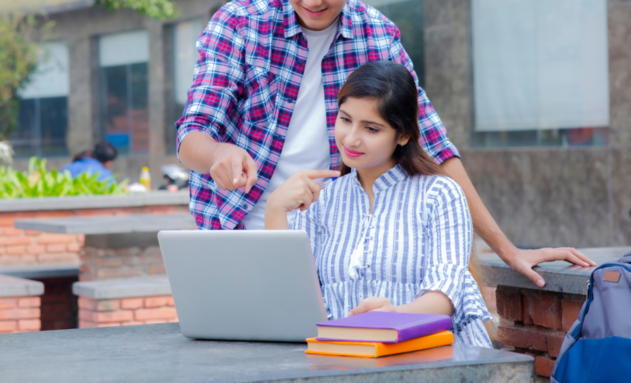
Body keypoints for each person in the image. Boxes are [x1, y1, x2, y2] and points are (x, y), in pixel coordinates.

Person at [176, 0, 595, 287]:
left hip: (324, 244)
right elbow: (191, 133)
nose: (315, 1)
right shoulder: (239, 22)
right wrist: (218, 152)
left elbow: (432, 144)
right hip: (234, 230)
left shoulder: (375, 32)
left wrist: (507, 249)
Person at [265, 62, 491, 347]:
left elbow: (443, 298)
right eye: (345, 119)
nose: (350, 138)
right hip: (340, 360)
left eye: (371, 128)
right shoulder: (320, 200)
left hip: (426, 359)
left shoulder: (440, 193)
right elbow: (288, 299)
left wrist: (393, 316)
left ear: (404, 135)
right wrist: (275, 209)